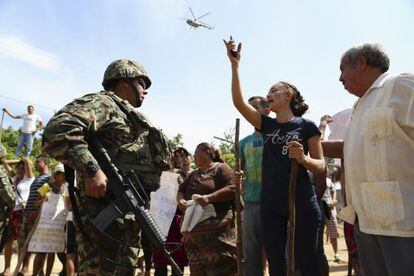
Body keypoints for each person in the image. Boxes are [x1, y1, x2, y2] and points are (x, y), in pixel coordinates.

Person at [43, 59, 171, 275]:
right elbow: (58, 130)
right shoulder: (104, 103)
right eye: (142, 83)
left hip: (132, 211)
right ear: (124, 83)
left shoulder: (132, 116)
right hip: (103, 208)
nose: (145, 91)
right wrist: (91, 169)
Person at [224, 40, 325, 276]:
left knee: (306, 262)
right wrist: (235, 66)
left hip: (301, 201)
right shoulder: (266, 124)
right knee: (277, 265)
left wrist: (303, 159)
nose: (268, 94)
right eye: (267, 92)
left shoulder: (306, 125)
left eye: (273, 90)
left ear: (288, 95)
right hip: (271, 204)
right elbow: (239, 103)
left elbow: (320, 166)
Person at [322, 43, 414, 276]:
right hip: (366, 222)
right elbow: (351, 149)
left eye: (342, 69)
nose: (339, 78)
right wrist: (311, 144)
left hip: (402, 225)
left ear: (361, 63)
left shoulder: (401, 86)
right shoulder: (360, 105)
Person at [177, 143, 237, 275]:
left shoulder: (221, 168)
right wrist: (180, 200)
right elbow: (181, 190)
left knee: (222, 271)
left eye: (196, 152)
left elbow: (233, 188)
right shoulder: (194, 174)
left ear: (207, 153)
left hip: (217, 235)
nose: (194, 155)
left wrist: (209, 198)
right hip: (194, 237)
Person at [239, 96, 269, 276]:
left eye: (253, 108)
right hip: (250, 202)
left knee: (277, 251)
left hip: (274, 202)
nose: (248, 112)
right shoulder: (243, 143)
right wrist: (239, 178)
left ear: (267, 110)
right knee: (251, 253)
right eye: (247, 108)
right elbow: (241, 170)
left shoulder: (275, 136)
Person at [153, 147, 191, 276]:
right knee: (160, 257)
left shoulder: (189, 175)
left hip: (179, 220)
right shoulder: (162, 174)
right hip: (163, 220)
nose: (181, 158)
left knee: (178, 257)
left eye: (183, 155)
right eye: (176, 156)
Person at [1, 157, 34, 276]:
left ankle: (20, 269)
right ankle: (7, 268)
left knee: (22, 242)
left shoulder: (29, 179)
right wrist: (18, 162)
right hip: (12, 212)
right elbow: (4, 162)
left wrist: (23, 160)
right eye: (18, 168)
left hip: (22, 212)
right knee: (8, 240)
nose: (20, 170)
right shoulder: (14, 178)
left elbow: (27, 160)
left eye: (23, 168)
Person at [18, 155, 51, 276]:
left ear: (46, 163)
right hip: (28, 213)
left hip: (37, 215)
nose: (35, 164)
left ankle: (39, 270)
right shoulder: (39, 178)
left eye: (38, 162)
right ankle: (24, 268)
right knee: (24, 244)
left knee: (39, 244)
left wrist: (37, 212)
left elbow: (47, 198)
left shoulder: (50, 178)